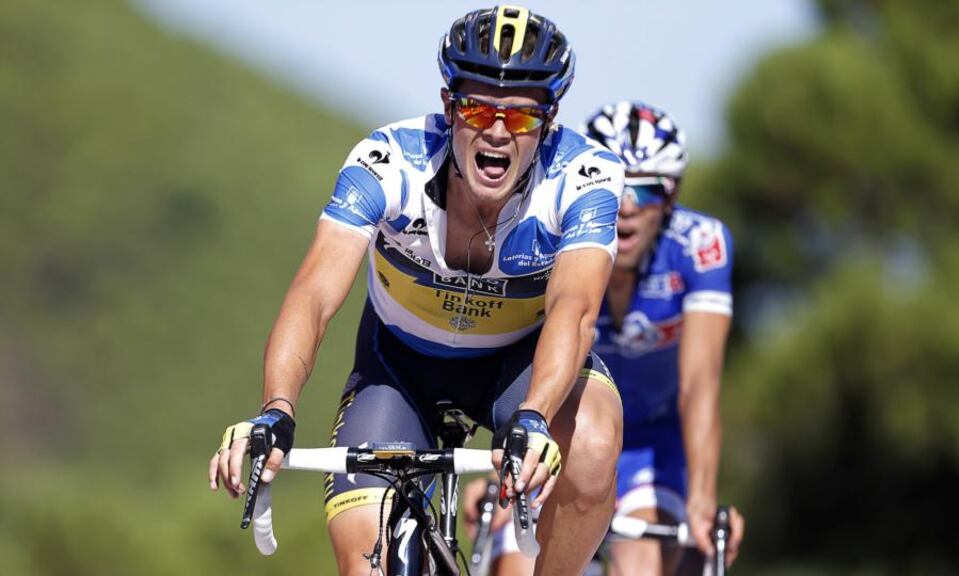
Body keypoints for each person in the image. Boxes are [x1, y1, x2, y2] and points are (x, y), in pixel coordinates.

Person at [208, 6, 625, 576]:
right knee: (367, 564)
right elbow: (315, 292)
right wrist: (276, 410)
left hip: (521, 370)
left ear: (548, 123)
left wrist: (533, 417)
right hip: (399, 372)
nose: (498, 131)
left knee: (595, 443)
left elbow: (574, 310)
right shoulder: (387, 161)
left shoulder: (584, 176)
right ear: (449, 106)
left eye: (522, 119)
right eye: (478, 108)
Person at [464, 101, 745, 575]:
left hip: (652, 444)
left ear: (672, 198)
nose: (629, 204)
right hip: (565, 430)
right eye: (616, 183)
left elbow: (700, 382)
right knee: (514, 566)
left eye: (649, 188)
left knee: (641, 568)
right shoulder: (553, 233)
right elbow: (512, 363)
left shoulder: (700, 247)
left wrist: (701, 497)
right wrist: (496, 464)